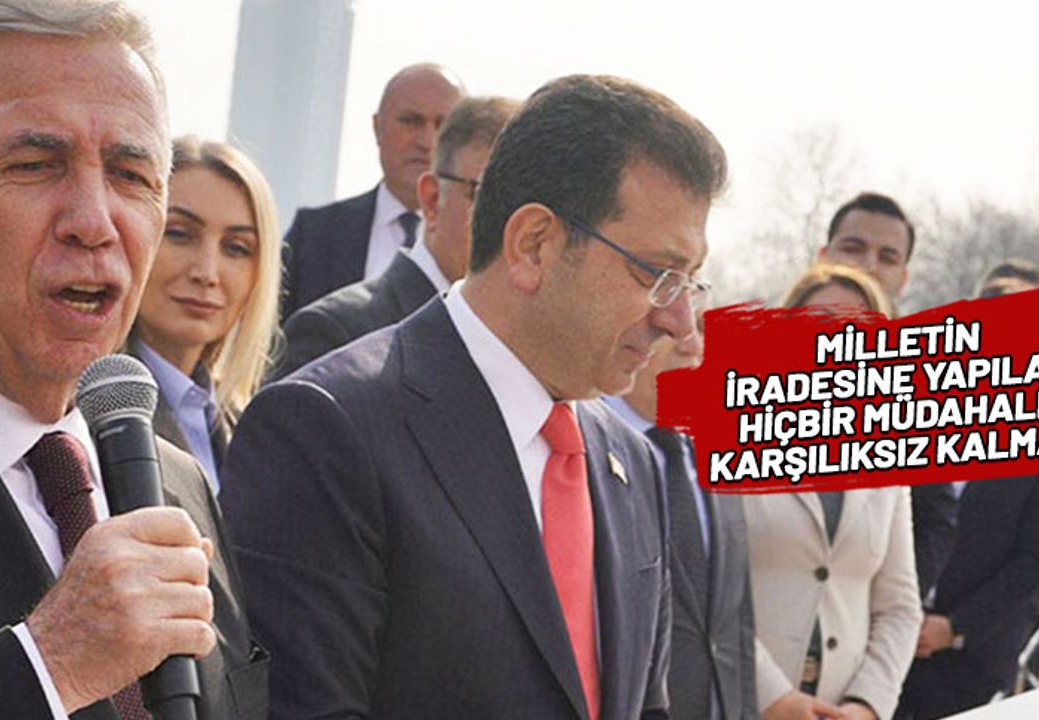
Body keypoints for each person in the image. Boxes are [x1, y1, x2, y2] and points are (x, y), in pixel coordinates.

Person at [221, 74, 728, 719]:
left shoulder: (633, 463)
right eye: (657, 274)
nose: (679, 321)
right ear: (533, 245)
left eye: (690, 282)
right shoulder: (328, 429)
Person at [0, 2, 266, 718]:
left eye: (131, 175)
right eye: (35, 166)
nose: (94, 222)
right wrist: (46, 667)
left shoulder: (176, 480)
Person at [894, 264, 1039, 719]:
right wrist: (899, 613)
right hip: (886, 637)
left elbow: (1036, 556)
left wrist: (954, 627)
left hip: (970, 656)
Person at [746, 263, 922, 720]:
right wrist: (773, 697)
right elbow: (709, 592)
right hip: (741, 702)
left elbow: (900, 607)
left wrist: (867, 705)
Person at [271, 96, 518, 380]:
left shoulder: (520, 347)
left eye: (526, 207)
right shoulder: (336, 332)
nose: (512, 225)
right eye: (488, 196)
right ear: (432, 199)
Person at [605, 306, 759, 720]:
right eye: (672, 329)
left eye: (702, 327)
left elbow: (736, 624)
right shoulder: (585, 449)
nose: (693, 345)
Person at [821, 192, 960, 603]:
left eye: (887, 257)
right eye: (853, 248)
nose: (869, 266)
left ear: (903, 277)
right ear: (823, 256)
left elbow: (934, 521)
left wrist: (889, 612)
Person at [127, 136, 281, 491]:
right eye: (180, 234)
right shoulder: (86, 409)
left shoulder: (246, 427)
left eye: (236, 248)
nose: (207, 273)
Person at [280, 63, 465, 316]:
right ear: (378, 127)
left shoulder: (482, 248)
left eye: (444, 126)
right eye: (411, 121)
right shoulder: (314, 235)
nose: (427, 141)